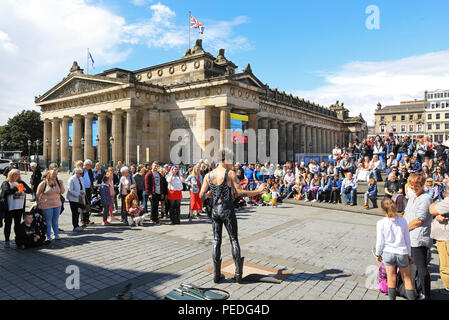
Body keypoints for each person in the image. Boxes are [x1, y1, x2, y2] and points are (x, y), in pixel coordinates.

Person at [199, 149, 266, 284]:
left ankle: (217, 275)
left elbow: (201, 195)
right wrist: (257, 191)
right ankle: (238, 274)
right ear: (225, 160)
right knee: (233, 239)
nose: (232, 164)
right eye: (231, 161)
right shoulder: (229, 174)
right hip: (227, 210)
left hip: (215, 211)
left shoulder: (208, 175)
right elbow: (240, 192)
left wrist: (208, 195)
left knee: (216, 240)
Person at [375, 198, 415, 300]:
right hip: (402, 252)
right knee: (406, 278)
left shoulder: (381, 223)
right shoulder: (403, 221)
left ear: (383, 210)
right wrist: (409, 254)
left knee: (391, 278)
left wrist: (377, 254)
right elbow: (407, 240)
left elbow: (380, 241)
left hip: (388, 252)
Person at [403, 174, 433, 300]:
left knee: (421, 266)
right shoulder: (412, 197)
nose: (414, 187)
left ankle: (426, 293)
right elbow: (405, 214)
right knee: (413, 265)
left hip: (419, 237)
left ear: (422, 185)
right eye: (411, 185)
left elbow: (419, 220)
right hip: (409, 235)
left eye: (416, 186)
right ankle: (417, 289)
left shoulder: (426, 198)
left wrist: (404, 229)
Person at [1, 169, 33, 248]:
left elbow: (30, 190)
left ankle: (18, 239)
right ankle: (7, 241)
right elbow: (5, 192)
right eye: (15, 174)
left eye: (18, 174)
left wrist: (25, 189)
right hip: (9, 208)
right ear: (11, 175)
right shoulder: (6, 183)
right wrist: (16, 189)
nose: (17, 176)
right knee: (8, 224)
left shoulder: (21, 182)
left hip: (19, 208)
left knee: (17, 225)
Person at [36, 169, 65, 242]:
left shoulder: (58, 182)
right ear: (49, 175)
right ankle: (48, 235)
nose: (55, 175)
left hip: (57, 204)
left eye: (56, 174)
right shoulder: (43, 183)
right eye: (53, 174)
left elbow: (62, 192)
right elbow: (37, 194)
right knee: (48, 221)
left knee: (55, 220)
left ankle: (56, 234)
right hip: (46, 205)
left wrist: (61, 184)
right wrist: (38, 203)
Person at [429, 195, 449, 292]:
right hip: (444, 238)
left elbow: (432, 209)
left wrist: (436, 205)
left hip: (445, 239)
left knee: (445, 268)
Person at [66, 167, 86, 232]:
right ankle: (75, 226)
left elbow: (83, 187)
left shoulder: (81, 178)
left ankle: (77, 225)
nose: (81, 175)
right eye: (80, 173)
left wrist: (83, 193)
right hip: (73, 198)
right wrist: (78, 194)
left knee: (79, 211)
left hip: (80, 197)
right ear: (76, 173)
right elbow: (70, 190)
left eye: (82, 173)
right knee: (75, 212)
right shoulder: (71, 179)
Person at [81, 160, 95, 227]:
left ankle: (87, 219)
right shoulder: (81, 170)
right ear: (86, 165)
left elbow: (92, 179)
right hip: (82, 190)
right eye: (89, 165)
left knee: (88, 205)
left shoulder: (90, 171)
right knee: (82, 205)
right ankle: (82, 220)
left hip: (88, 190)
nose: (90, 166)